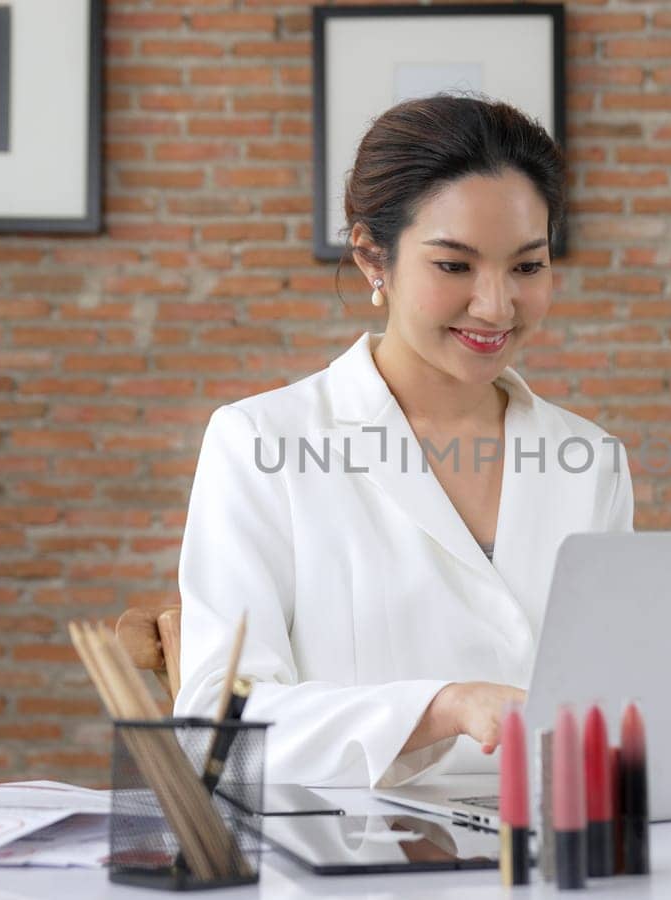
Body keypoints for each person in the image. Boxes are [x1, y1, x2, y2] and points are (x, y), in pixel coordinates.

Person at [174, 95, 633, 787]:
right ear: (372, 260)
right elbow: (218, 732)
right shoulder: (262, 442)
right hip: (353, 866)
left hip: (557, 852)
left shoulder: (590, 459)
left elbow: (616, 699)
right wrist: (440, 707)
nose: (496, 305)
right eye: (454, 266)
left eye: (527, 267)